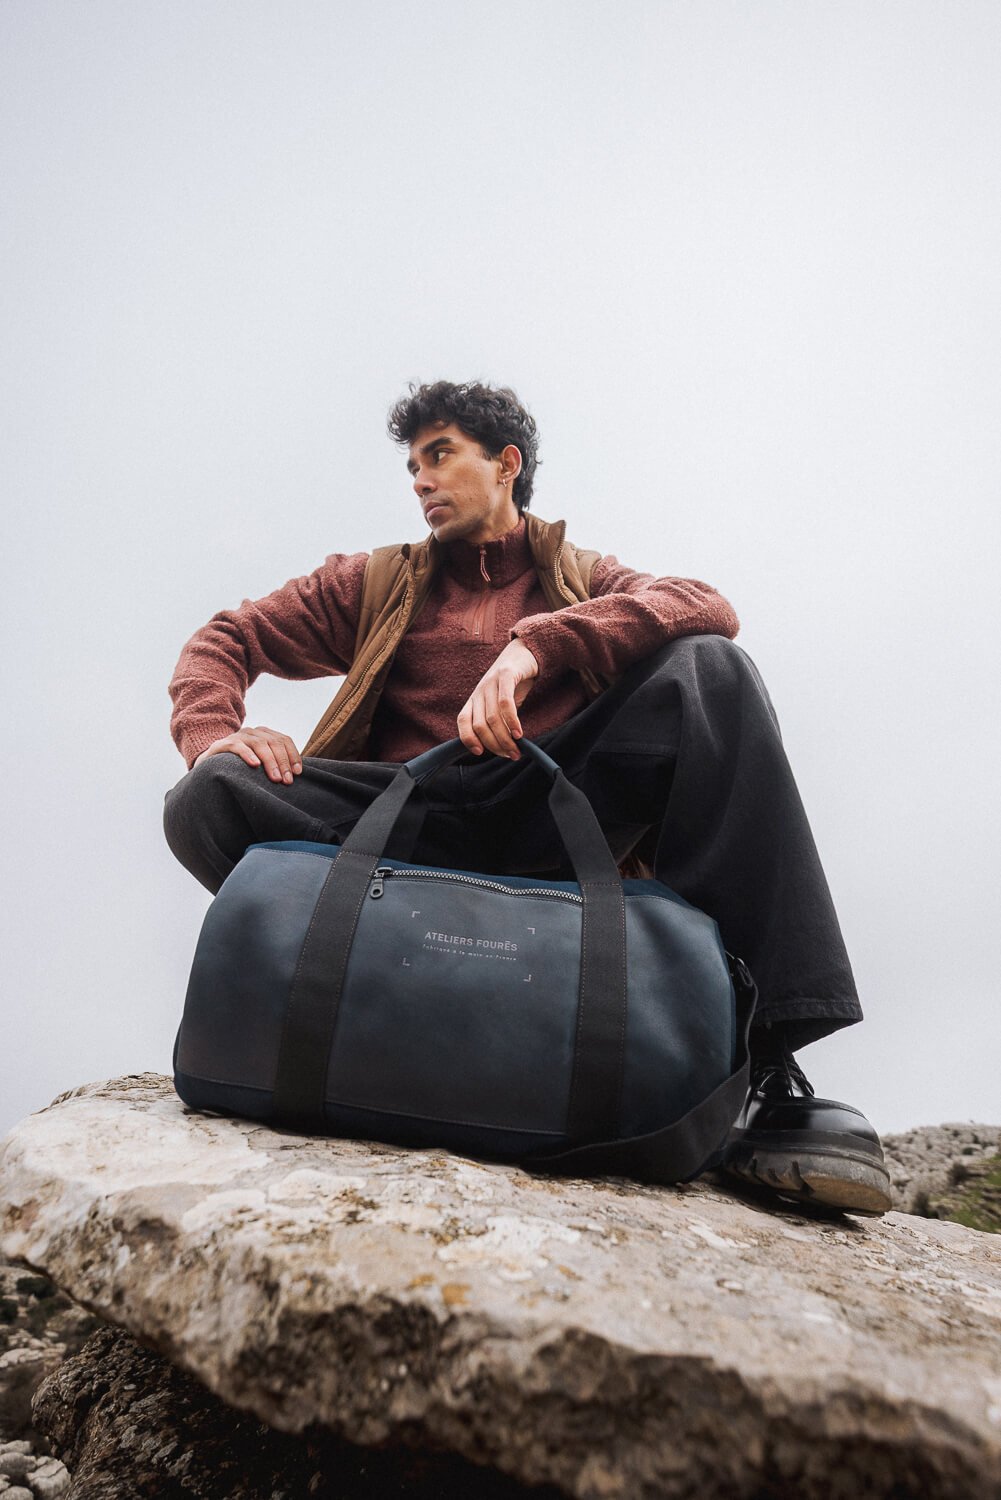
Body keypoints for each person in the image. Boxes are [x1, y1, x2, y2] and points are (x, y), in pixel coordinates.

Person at [164, 380, 891, 1216]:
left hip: (547, 815)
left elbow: (705, 605)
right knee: (206, 794)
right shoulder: (370, 583)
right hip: (400, 826)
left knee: (710, 672)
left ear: (506, 465)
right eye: (410, 466)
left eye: (440, 456)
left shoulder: (581, 577)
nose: (420, 482)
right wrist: (213, 730)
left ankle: (765, 1073)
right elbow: (226, 637)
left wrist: (535, 647)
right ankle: (306, 993)